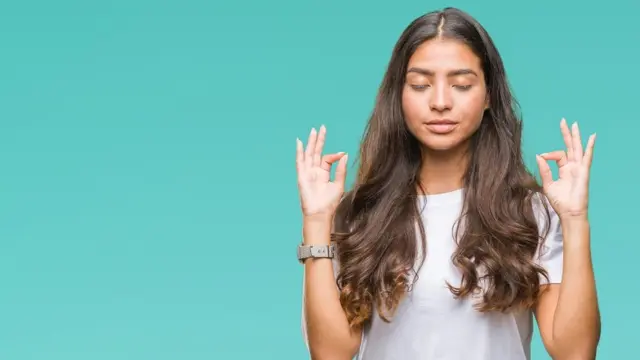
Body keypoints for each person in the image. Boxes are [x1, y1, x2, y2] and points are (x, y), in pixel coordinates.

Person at [294, 7, 600, 360]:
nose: (440, 102)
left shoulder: (527, 212)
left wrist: (575, 220)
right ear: (399, 95)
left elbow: (574, 351)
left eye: (461, 85)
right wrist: (317, 222)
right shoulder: (361, 213)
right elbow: (331, 353)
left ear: (488, 95)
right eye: (421, 85)